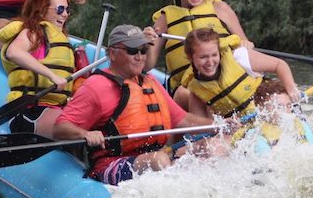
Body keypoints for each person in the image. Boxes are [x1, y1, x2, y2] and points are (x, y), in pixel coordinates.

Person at [53, 24, 213, 184]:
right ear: (112, 54)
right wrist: (85, 134)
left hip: (157, 155)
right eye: (132, 51)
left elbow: (183, 120)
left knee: (209, 147)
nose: (140, 56)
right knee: (159, 161)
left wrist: (220, 125)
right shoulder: (96, 87)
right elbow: (60, 128)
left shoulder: (149, 82)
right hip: (111, 164)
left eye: (143, 50)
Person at [145, 0, 253, 107]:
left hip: (228, 80)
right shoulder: (165, 18)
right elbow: (147, 65)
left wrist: (246, 44)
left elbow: (246, 45)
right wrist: (147, 42)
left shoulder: (220, 8)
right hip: (191, 92)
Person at [0, 0, 76, 138]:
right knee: (76, 128)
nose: (65, 14)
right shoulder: (32, 33)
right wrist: (52, 76)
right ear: (41, 10)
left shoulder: (60, 39)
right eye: (60, 9)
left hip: (55, 107)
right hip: (30, 111)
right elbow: (14, 52)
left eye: (67, 10)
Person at [179, 27, 301, 122]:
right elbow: (203, 127)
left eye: (214, 55)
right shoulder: (196, 91)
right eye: (203, 57)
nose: (210, 62)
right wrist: (223, 124)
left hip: (274, 111)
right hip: (245, 129)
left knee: (278, 100)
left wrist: (291, 89)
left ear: (219, 52)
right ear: (190, 58)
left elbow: (279, 65)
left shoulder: (239, 57)